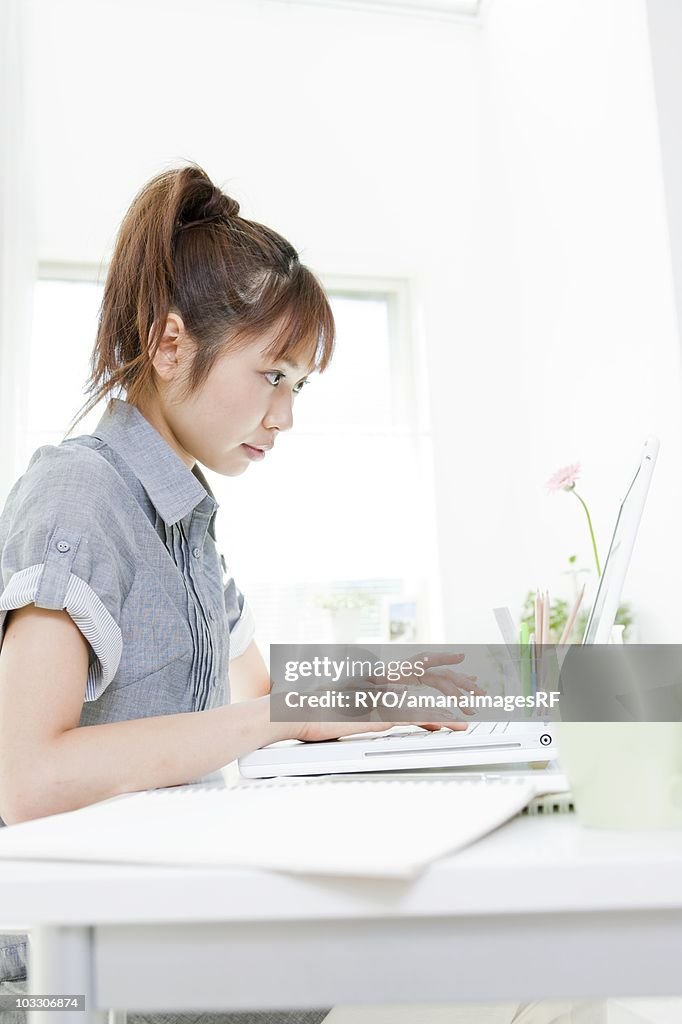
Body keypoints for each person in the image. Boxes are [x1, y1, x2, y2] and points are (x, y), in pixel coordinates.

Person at [0, 164, 472, 1024]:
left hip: (157, 921)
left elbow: (252, 689)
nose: (284, 417)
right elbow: (27, 779)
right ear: (169, 344)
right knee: (436, 967)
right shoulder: (81, 493)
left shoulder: (184, 511)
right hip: (80, 963)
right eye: (272, 376)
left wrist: (416, 687)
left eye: (298, 385)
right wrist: (281, 716)